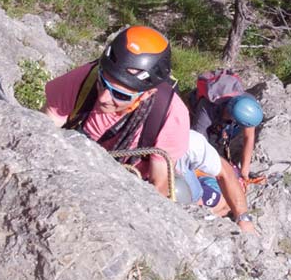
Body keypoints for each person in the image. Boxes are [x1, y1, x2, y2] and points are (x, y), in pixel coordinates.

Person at [42, 26, 189, 197]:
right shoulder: (85, 79)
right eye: (102, 82)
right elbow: (44, 130)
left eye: (119, 94)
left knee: (181, 193)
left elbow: (160, 187)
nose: (103, 97)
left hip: (132, 183)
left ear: (147, 94)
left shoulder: (168, 114)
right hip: (75, 166)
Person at [174, 131, 257, 233]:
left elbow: (225, 172)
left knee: (205, 198)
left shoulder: (192, 144)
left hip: (206, 183)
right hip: (206, 184)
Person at [192, 88, 263, 181]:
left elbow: (249, 137)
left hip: (224, 116)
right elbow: (198, 142)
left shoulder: (249, 106)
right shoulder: (207, 108)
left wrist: (244, 170)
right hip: (200, 111)